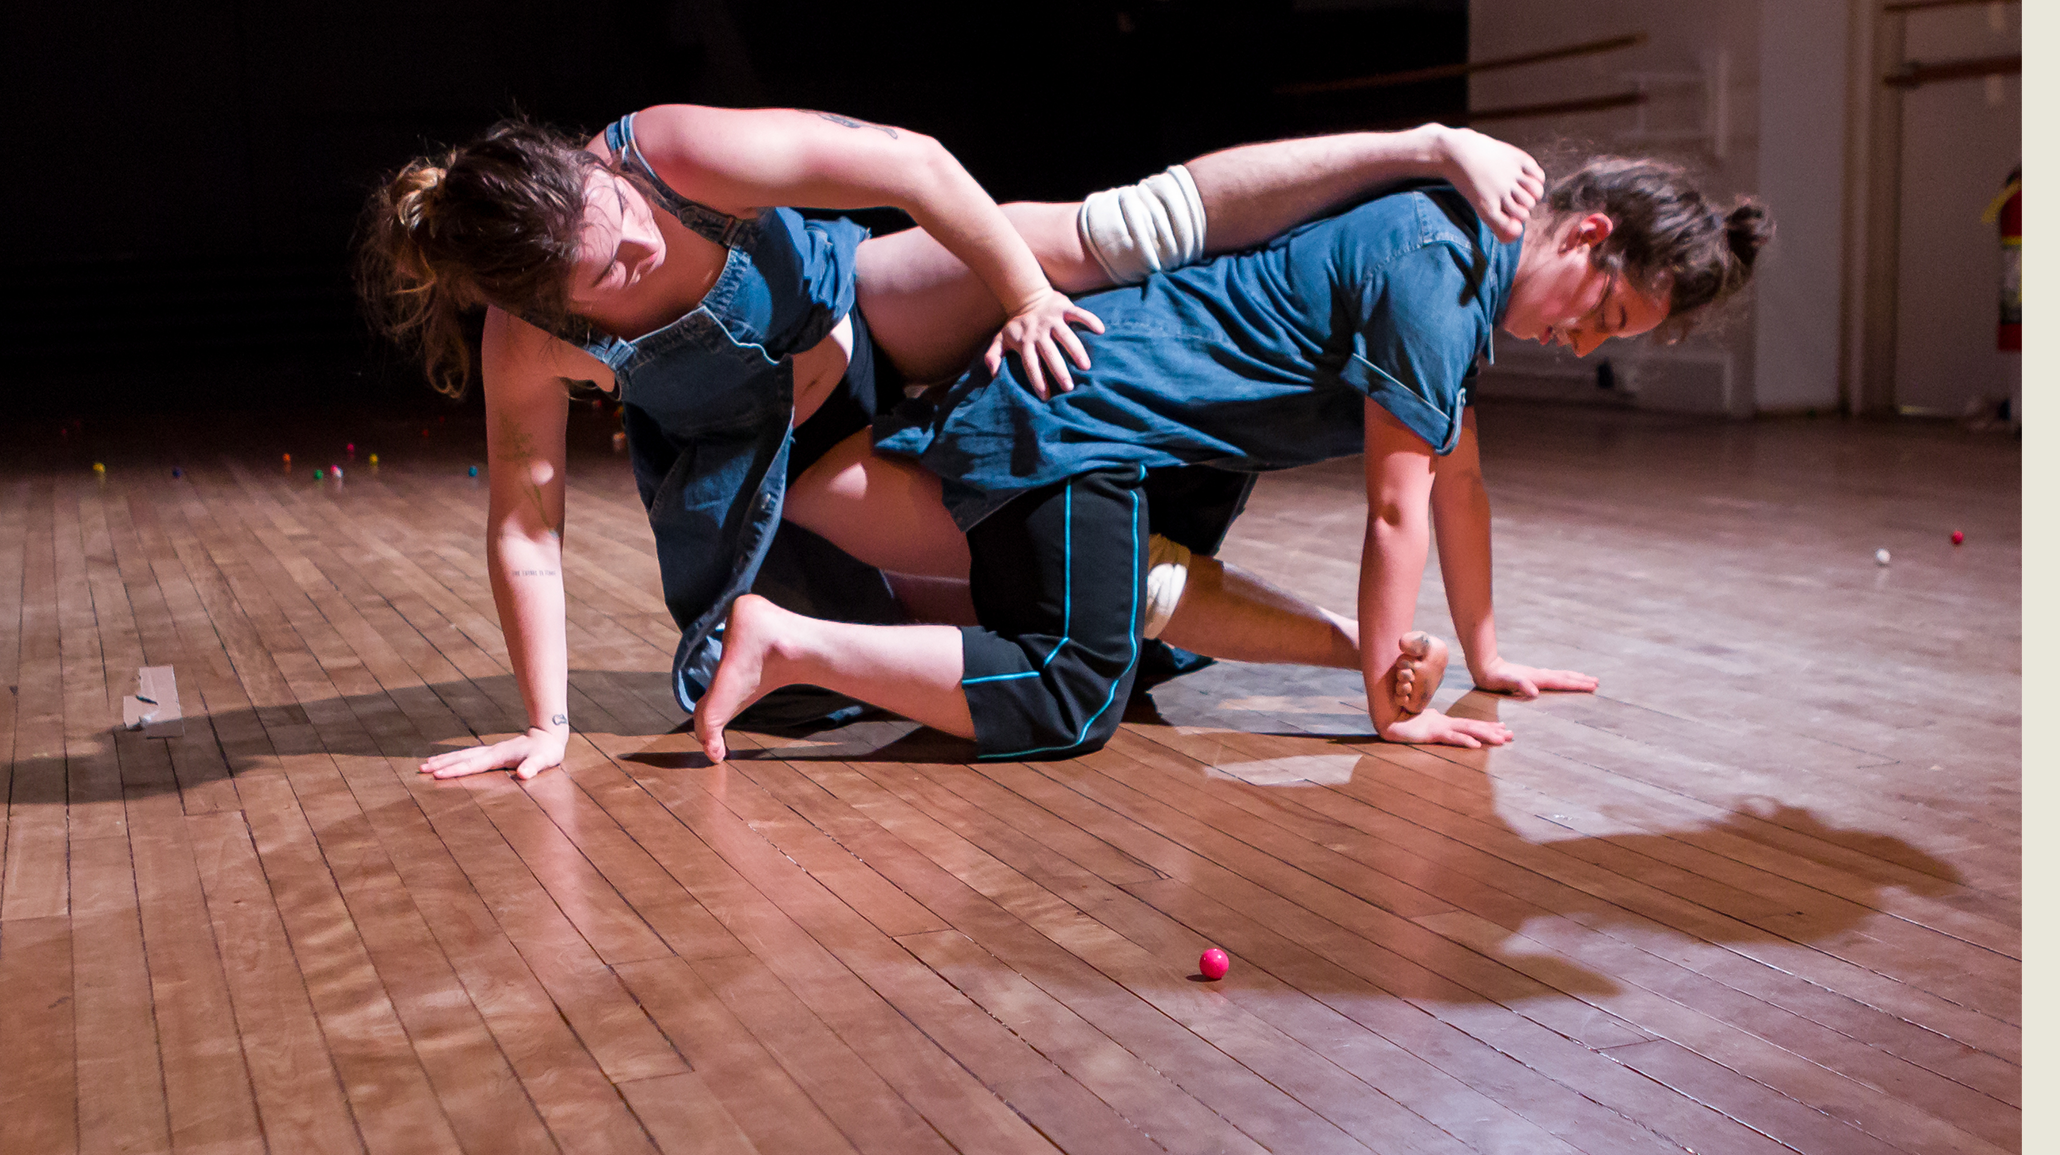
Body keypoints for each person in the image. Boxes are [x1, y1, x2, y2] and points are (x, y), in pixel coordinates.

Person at [355, 103, 1551, 778]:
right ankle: (1355, 652)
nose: (638, 249)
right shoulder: (526, 344)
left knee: (1124, 230)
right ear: (540, 302)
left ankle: (1417, 141)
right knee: (1094, 590)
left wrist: (1025, 294)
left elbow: (914, 163)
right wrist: (547, 723)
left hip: (860, 303)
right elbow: (527, 527)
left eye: (618, 217)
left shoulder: (668, 155)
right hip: (789, 448)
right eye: (607, 274)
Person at [691, 157, 1773, 763]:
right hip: (1084, 417)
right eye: (1603, 315)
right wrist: (1391, 706)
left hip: (1126, 434)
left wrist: (1488, 658)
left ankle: (900, 604)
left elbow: (1461, 485)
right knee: (1071, 693)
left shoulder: (1457, 268)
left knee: (1139, 638)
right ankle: (791, 644)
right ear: (1587, 236)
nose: (1581, 344)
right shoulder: (1438, 273)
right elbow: (1396, 510)